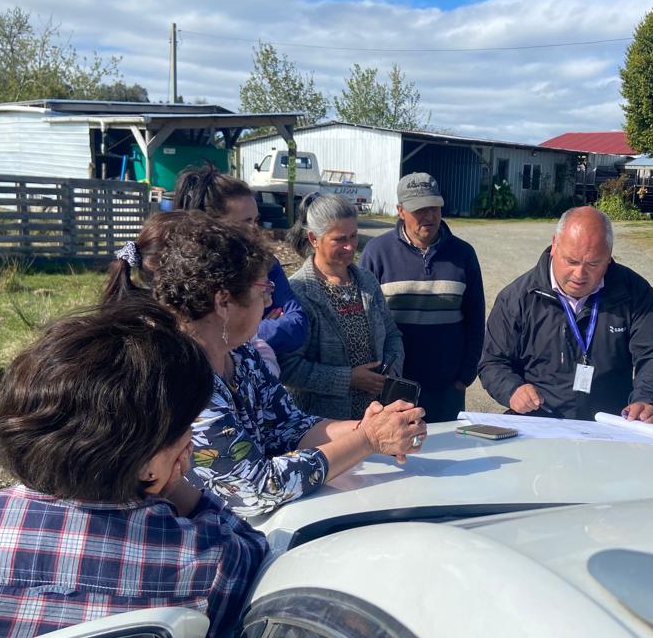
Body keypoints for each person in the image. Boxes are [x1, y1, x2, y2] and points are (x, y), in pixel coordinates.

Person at [0, 299, 269, 638]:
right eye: (188, 429)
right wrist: (173, 485)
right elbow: (253, 554)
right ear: (148, 462)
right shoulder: (207, 561)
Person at [104, 211, 426, 518]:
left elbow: (289, 425)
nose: (271, 302)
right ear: (223, 301)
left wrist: (371, 426)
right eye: (263, 290)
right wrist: (367, 440)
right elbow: (257, 488)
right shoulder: (182, 380)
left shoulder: (241, 355)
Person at [479, 206, 653, 422]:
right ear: (555, 245)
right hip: (541, 422)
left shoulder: (634, 292)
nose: (580, 274)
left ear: (609, 256)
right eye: (571, 261)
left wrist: (648, 399)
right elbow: (493, 362)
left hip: (611, 425)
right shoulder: (518, 298)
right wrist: (512, 390)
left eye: (593, 264)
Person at [360, 172, 485, 422]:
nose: (429, 216)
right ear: (400, 210)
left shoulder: (463, 254)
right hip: (393, 386)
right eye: (420, 209)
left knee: (448, 454)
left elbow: (476, 318)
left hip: (447, 386)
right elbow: (364, 321)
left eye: (434, 207)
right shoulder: (377, 253)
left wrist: (466, 375)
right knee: (397, 455)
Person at [280, 194, 404, 419]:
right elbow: (288, 368)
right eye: (339, 239)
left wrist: (391, 368)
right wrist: (348, 378)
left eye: (354, 236)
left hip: (374, 417)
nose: (350, 246)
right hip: (322, 426)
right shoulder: (298, 292)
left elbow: (393, 335)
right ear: (313, 238)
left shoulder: (366, 281)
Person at [174, 162, 308, 368]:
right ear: (211, 225)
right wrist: (257, 329)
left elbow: (297, 326)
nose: (255, 230)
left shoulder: (268, 263)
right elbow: (204, 336)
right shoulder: (190, 276)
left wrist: (245, 330)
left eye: (256, 220)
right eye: (246, 222)